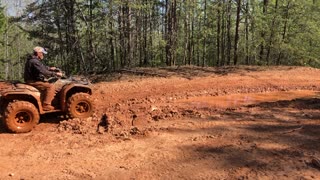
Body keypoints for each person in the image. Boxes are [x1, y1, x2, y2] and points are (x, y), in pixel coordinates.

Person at [24, 46, 62, 111]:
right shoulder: (34, 61)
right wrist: (55, 74)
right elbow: (43, 71)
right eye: (42, 53)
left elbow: (41, 67)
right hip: (33, 81)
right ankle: (46, 105)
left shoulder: (34, 60)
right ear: (38, 53)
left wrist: (50, 68)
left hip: (33, 79)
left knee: (48, 83)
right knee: (50, 86)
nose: (43, 55)